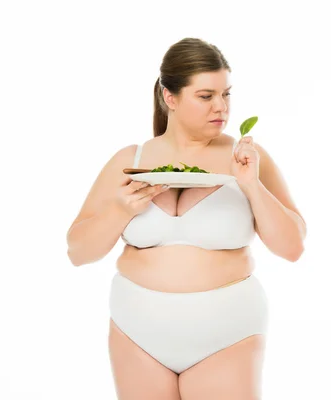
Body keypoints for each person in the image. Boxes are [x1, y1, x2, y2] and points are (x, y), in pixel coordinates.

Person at [66, 38, 306, 400]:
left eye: (226, 94)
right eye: (206, 96)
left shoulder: (248, 158)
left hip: (226, 336)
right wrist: (120, 210)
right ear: (170, 97)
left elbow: (292, 248)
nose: (221, 107)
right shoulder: (131, 160)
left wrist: (252, 186)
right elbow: (77, 252)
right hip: (137, 335)